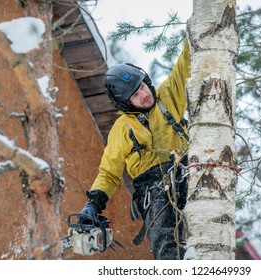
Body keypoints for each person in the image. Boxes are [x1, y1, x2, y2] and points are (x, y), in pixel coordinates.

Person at [79, 39, 191, 260]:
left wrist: (195, 30)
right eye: (135, 95)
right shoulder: (121, 130)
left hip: (185, 170)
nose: (144, 94)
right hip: (153, 188)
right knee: (166, 241)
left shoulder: (168, 96)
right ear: (125, 103)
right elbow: (109, 173)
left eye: (142, 86)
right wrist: (93, 204)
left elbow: (186, 63)